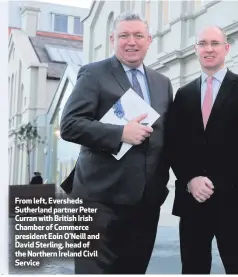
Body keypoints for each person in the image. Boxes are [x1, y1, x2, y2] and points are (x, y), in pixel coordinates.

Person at [59, 12, 173, 274]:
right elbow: (70, 125)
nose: (131, 42)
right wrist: (119, 133)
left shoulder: (162, 83)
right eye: (124, 35)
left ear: (148, 40)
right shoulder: (93, 73)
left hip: (145, 203)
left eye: (138, 36)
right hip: (99, 200)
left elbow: (166, 137)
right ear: (113, 39)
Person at [167, 26, 238, 274]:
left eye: (215, 43)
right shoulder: (183, 95)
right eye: (203, 43)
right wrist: (189, 179)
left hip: (235, 201)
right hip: (193, 199)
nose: (209, 49)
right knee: (193, 268)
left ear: (226, 48)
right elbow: (174, 145)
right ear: (196, 49)